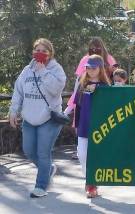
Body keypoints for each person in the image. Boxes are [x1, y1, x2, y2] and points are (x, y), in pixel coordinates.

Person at [9, 38, 66, 198]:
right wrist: (14, 111)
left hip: (48, 119)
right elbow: (18, 91)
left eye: (44, 51)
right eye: (37, 50)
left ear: (50, 53)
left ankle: (41, 185)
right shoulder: (27, 70)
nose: (40, 53)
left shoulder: (56, 69)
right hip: (29, 118)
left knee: (43, 152)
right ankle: (48, 170)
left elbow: (56, 89)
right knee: (28, 150)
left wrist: (43, 72)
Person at [74, 55, 111, 198]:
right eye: (88, 67)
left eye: (93, 67)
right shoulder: (82, 84)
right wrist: (76, 124)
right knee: (82, 155)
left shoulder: (107, 87)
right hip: (83, 126)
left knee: (96, 156)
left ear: (100, 68)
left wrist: (98, 89)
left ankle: (92, 184)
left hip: (100, 128)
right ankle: (89, 180)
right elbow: (78, 105)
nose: (90, 70)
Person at [64, 37, 116, 115]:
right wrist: (74, 98)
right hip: (87, 91)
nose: (94, 50)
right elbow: (79, 79)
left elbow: (115, 76)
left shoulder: (109, 59)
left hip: (104, 90)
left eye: (97, 48)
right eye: (92, 48)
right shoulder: (85, 59)